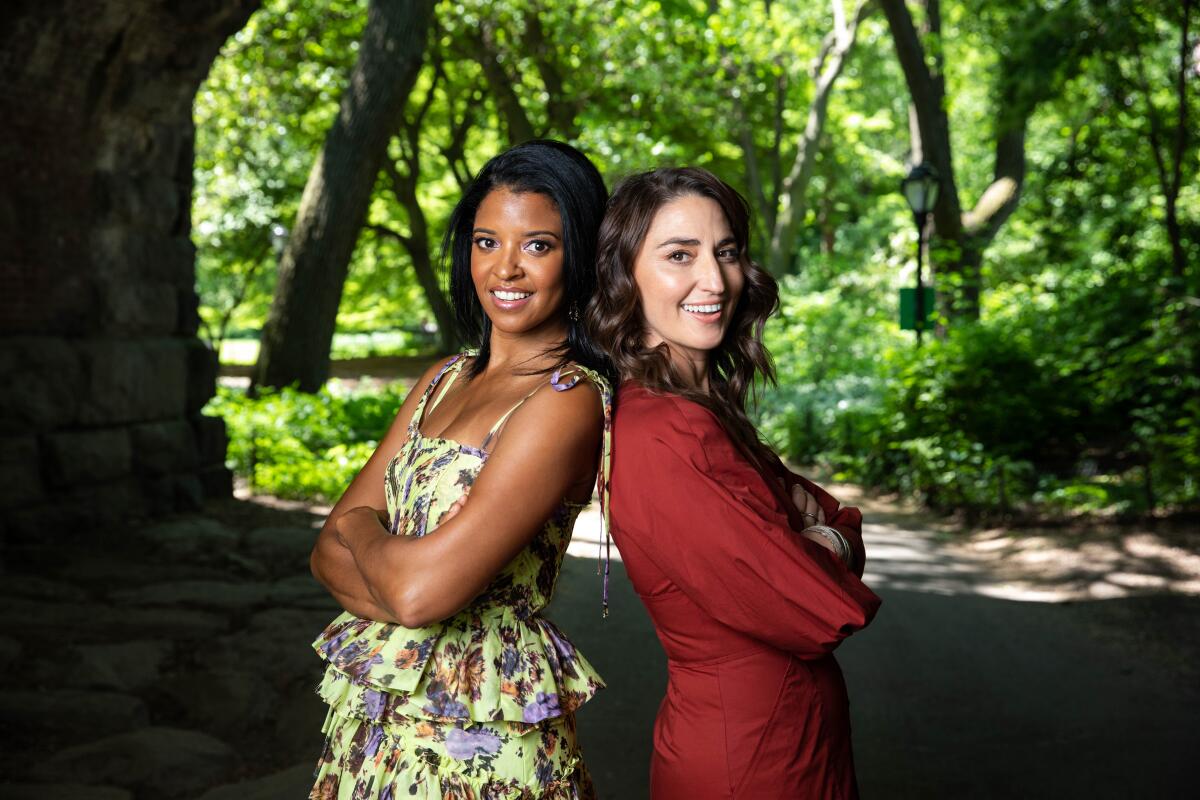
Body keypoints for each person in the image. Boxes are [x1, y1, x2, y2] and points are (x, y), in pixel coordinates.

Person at [308, 140, 613, 800]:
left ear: (580, 257)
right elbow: (323, 555)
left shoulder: (567, 398)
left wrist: (363, 530)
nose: (506, 268)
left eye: (538, 245)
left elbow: (418, 594)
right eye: (485, 242)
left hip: (484, 748)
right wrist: (398, 578)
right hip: (376, 730)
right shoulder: (442, 379)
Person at [587, 167, 882, 799]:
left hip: (794, 743)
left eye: (725, 253)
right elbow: (816, 607)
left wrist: (817, 536)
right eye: (678, 256)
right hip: (749, 759)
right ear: (624, 276)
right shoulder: (666, 433)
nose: (714, 280)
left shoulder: (703, 410)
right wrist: (825, 543)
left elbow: (833, 516)